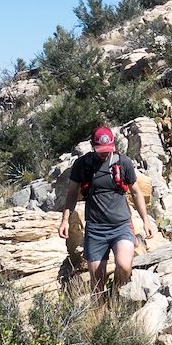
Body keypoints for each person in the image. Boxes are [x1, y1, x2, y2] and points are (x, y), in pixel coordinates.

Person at [58, 124, 150, 299]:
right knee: (97, 280)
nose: (104, 152)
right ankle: (100, 312)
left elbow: (136, 192)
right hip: (95, 229)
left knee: (124, 265)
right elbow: (71, 194)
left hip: (121, 225)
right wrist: (65, 221)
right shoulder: (82, 165)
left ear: (114, 145)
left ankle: (116, 295)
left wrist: (145, 221)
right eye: (100, 149)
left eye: (108, 149)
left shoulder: (123, 163)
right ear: (92, 146)